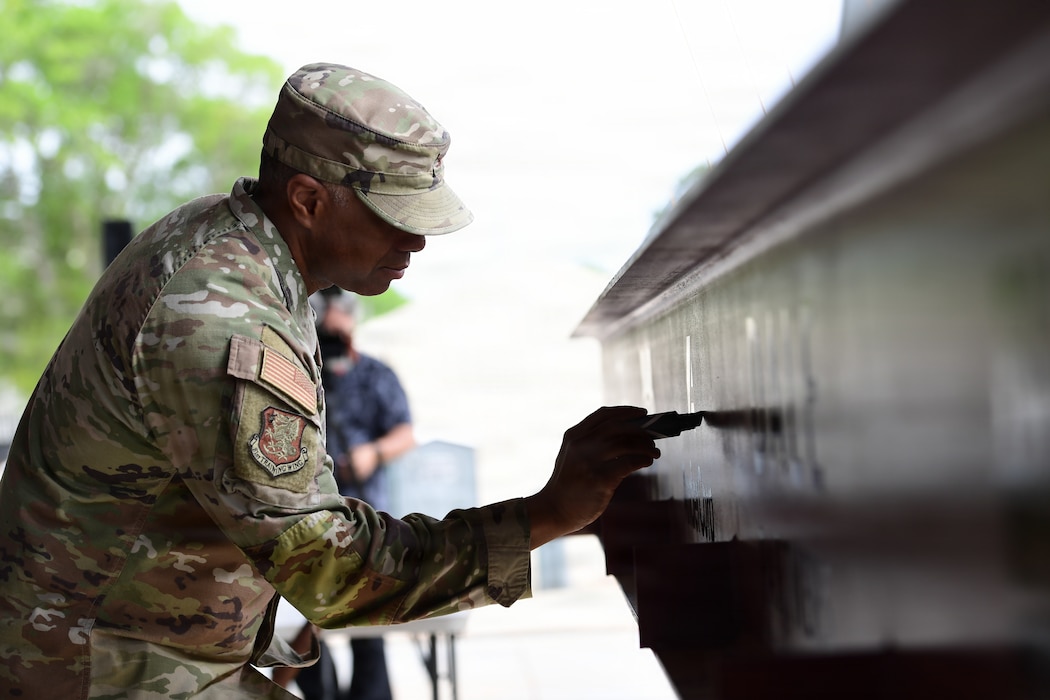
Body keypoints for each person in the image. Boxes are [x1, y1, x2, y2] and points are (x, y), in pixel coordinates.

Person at [0, 62, 660, 698]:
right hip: (95, 670)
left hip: (138, 650)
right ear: (309, 200)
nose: (418, 242)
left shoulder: (234, 246)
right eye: (395, 216)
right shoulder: (221, 318)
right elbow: (329, 571)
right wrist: (545, 516)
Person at [281, 289, 415, 700]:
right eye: (327, 335)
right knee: (309, 634)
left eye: (341, 333)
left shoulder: (377, 374)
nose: (335, 343)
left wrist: (373, 452)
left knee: (368, 631)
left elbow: (405, 433)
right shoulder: (298, 376)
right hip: (307, 524)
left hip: (366, 520)